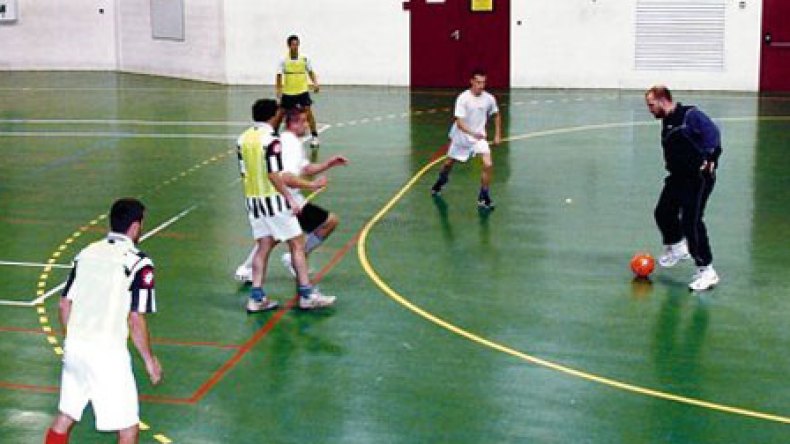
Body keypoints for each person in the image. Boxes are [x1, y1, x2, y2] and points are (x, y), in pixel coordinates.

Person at [45, 198, 163, 444]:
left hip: (76, 347)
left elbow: (65, 304)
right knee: (128, 430)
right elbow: (135, 318)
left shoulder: (86, 253)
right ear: (134, 226)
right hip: (107, 353)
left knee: (66, 416)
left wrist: (72, 338)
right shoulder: (138, 262)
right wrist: (149, 360)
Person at [236, 99, 335, 312]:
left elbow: (244, 172)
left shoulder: (242, 138)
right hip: (274, 200)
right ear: (273, 116)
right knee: (297, 245)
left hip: (253, 201)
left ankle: (256, 297)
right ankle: (307, 295)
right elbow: (274, 174)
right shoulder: (272, 140)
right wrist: (289, 198)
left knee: (263, 247)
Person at [645, 85, 722, 291]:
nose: (649, 109)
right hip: (678, 176)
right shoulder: (667, 120)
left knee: (692, 222)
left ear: (663, 100)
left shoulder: (690, 115)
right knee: (663, 212)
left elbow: (713, 135)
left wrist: (711, 157)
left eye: (651, 105)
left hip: (698, 177)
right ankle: (678, 247)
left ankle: (707, 270)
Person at [430, 69, 502, 209]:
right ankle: (441, 181)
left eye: (484, 83)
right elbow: (459, 122)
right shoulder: (463, 98)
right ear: (472, 82)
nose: (481, 86)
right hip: (461, 137)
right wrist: (472, 133)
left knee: (488, 164)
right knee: (448, 163)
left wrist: (497, 134)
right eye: (478, 82)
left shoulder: (489, 99)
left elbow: (497, 115)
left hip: (479, 138)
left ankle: (484, 196)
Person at [274, 35, 321, 147]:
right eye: (293, 44)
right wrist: (278, 90)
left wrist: (315, 83)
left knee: (309, 113)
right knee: (280, 114)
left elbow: (310, 72)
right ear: (288, 45)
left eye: (297, 44)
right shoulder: (283, 60)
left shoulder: (304, 58)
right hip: (288, 92)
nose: (295, 47)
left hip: (302, 91)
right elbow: (279, 76)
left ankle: (315, 137)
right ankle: (274, 136)